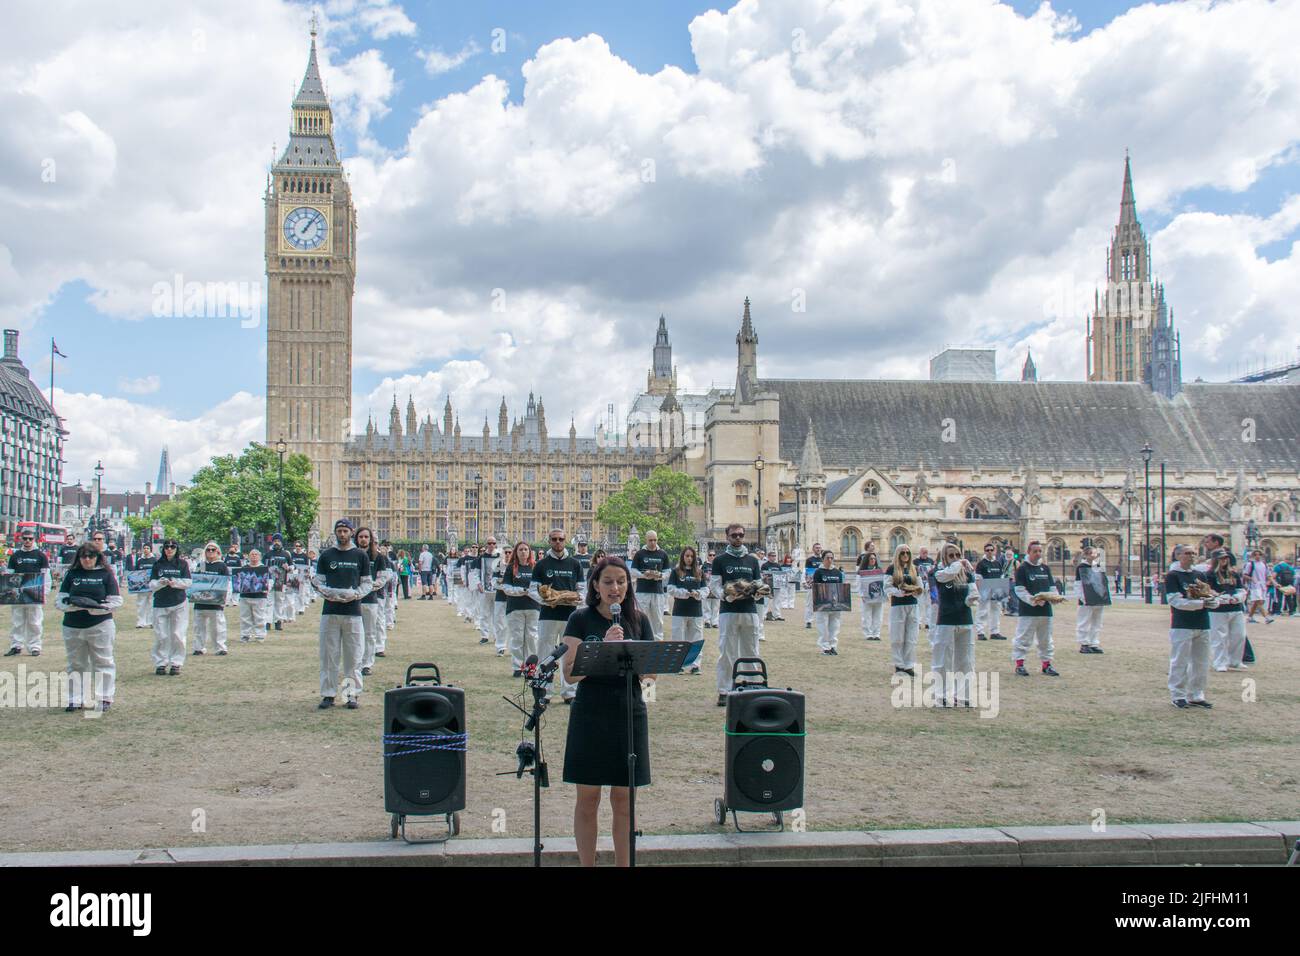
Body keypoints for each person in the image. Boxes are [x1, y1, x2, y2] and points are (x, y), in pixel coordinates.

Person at [560, 555, 654, 868]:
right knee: (588, 799)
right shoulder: (580, 619)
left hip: (629, 712)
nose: (615, 588)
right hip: (590, 713)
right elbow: (570, 673)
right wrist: (602, 646)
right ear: (595, 586)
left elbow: (651, 676)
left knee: (624, 801)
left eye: (621, 581)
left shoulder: (640, 620)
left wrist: (634, 658)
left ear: (629, 585)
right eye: (608, 582)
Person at [55, 543, 123, 712]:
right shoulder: (72, 574)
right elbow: (60, 599)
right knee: (76, 663)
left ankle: (104, 697)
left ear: (97, 557)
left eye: (91, 556)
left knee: (103, 661)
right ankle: (75, 698)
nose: (87, 560)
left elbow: (116, 600)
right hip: (73, 623)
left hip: (100, 624)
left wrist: (95, 607)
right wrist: (73, 605)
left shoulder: (106, 575)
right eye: (83, 556)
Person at [312, 519, 371, 710]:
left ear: (351, 532)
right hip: (330, 611)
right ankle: (328, 694)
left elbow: (366, 583)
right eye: (339, 531)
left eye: (345, 531)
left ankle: (350, 694)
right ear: (335, 533)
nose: (342, 534)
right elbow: (318, 582)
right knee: (329, 655)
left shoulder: (360, 556)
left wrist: (355, 594)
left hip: (353, 612)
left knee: (353, 657)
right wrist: (328, 592)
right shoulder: (326, 556)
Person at [709, 523, 763, 706]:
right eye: (734, 535)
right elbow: (715, 585)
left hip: (749, 611)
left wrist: (755, 591)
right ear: (727, 537)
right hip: (729, 611)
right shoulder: (720, 560)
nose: (738, 538)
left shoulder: (753, 560)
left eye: (740, 535)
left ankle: (753, 686)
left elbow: (759, 583)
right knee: (727, 651)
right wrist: (727, 594)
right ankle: (724, 690)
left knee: (751, 650)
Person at [529, 529, 584, 703]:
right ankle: (545, 691)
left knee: (570, 654)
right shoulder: (541, 564)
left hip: (570, 616)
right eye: (554, 539)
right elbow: (532, 590)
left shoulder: (575, 564)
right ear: (549, 541)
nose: (558, 542)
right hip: (548, 615)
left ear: (566, 540)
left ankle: (570, 692)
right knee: (546, 653)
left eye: (561, 539)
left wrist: (576, 598)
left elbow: (582, 588)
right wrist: (546, 600)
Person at [1166, 545, 1217, 709]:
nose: (1192, 556)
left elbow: (1208, 594)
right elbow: (1175, 601)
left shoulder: (1199, 574)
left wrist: (1212, 602)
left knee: (1201, 661)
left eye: (1194, 553)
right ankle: (1178, 694)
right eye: (1188, 553)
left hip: (1202, 622)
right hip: (1182, 624)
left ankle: (1196, 694)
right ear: (1179, 555)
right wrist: (1201, 603)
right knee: (1180, 660)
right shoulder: (1173, 576)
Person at [932, 543, 980, 707]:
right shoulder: (938, 573)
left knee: (965, 660)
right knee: (943, 659)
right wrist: (959, 564)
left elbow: (973, 594)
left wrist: (970, 600)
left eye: (958, 555)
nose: (955, 559)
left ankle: (964, 695)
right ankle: (941, 695)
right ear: (944, 557)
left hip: (965, 620)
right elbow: (949, 574)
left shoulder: (968, 574)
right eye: (951, 555)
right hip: (946, 620)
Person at [1012, 540, 1059, 677]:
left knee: (1046, 639)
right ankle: (1020, 664)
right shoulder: (1022, 569)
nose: (1038, 554)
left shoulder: (1045, 568)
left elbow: (1052, 587)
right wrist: (1033, 601)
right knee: (1023, 638)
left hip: (1046, 611)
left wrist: (1054, 597)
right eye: (1035, 551)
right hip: (1028, 611)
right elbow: (1020, 590)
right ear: (1029, 552)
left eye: (1040, 551)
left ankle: (1047, 664)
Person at [148, 540, 192, 676]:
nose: (169, 549)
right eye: (167, 547)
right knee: (162, 635)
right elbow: (151, 584)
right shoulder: (157, 564)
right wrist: (161, 583)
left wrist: (175, 583)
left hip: (179, 602)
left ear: (176, 549)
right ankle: (161, 662)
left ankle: (176, 663)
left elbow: (188, 582)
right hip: (161, 602)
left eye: (172, 547)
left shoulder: (183, 564)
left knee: (178, 634)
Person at [4, 528, 48, 657]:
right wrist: (9, 590)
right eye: (25, 538)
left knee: (35, 622)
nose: (27, 541)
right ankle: (16, 646)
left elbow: (46, 576)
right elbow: (9, 575)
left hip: (35, 593)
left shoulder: (40, 555)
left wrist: (43, 593)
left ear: (34, 539)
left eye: (30, 538)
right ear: (21, 539)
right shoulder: (15, 556)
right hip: (18, 594)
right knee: (17, 621)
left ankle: (35, 647)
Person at [355, 527, 392, 677]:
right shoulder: (351, 555)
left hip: (370, 599)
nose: (363, 539)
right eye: (361, 536)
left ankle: (367, 664)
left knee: (370, 633)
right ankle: (356, 661)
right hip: (353, 599)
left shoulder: (378, 557)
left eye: (366, 537)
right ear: (356, 538)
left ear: (370, 539)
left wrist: (367, 588)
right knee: (355, 634)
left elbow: (382, 579)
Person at [501, 541, 541, 677]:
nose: (523, 552)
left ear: (530, 552)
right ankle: (518, 666)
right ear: (516, 553)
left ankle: (531, 666)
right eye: (520, 550)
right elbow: (506, 589)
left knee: (532, 638)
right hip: (515, 608)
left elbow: (540, 589)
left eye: (525, 549)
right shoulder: (511, 568)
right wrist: (523, 591)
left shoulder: (535, 568)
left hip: (533, 608)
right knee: (517, 638)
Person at [1205, 548, 1248, 671]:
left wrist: (1238, 597)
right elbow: (1208, 590)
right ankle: (1219, 662)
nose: (1224, 560)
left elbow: (1241, 588)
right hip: (1218, 609)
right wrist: (1220, 597)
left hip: (1235, 607)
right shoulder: (1209, 574)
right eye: (1221, 558)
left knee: (1239, 635)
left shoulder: (1233, 573)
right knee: (1219, 637)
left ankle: (1235, 660)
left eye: (1225, 558)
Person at [666, 546, 706, 674]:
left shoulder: (699, 572)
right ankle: (678, 664)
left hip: (696, 611)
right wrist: (684, 593)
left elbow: (706, 590)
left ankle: (695, 665)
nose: (689, 558)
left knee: (696, 638)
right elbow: (671, 589)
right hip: (680, 610)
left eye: (691, 556)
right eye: (687, 556)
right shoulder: (676, 571)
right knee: (678, 638)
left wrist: (697, 593)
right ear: (683, 557)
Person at [884, 545, 922, 676]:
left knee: (911, 636)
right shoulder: (891, 569)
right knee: (897, 636)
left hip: (912, 604)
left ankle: (909, 664)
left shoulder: (914, 569)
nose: (905, 555)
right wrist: (899, 592)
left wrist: (916, 591)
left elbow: (920, 585)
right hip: (898, 605)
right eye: (902, 553)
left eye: (907, 553)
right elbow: (887, 587)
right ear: (898, 555)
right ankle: (899, 664)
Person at [190, 541, 231, 656]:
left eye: (213, 550)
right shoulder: (201, 565)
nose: (211, 552)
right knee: (199, 627)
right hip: (200, 601)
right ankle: (199, 647)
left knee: (218, 627)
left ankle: (220, 648)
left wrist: (224, 600)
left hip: (216, 602)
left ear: (218, 551)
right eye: (208, 550)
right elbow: (196, 582)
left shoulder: (222, 565)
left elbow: (226, 584)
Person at [629, 530, 670, 641]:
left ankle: (658, 641)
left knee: (658, 618)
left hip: (657, 591)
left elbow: (668, 571)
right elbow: (632, 571)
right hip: (642, 591)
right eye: (650, 540)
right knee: (641, 617)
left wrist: (660, 575)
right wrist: (643, 575)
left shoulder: (663, 554)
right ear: (646, 540)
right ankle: (639, 640)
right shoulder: (640, 554)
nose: (653, 542)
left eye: (655, 540)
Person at [1073, 546, 1107, 654]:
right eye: (1092, 553)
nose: (1095, 555)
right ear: (1086, 555)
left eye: (1096, 553)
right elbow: (1078, 584)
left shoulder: (1098, 566)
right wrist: (1083, 597)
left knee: (1097, 622)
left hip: (1097, 599)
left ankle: (1094, 642)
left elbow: (1101, 582)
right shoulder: (1081, 567)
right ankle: (1084, 643)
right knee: (1084, 621)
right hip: (1086, 599)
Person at [812, 550, 845, 655]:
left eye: (831, 558)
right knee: (823, 626)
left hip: (835, 604)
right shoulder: (818, 572)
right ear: (823, 559)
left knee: (834, 626)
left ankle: (833, 645)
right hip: (822, 603)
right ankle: (825, 646)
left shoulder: (837, 572)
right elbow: (815, 587)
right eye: (827, 558)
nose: (830, 560)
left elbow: (841, 587)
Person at [973, 543, 1007, 640]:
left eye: (991, 550)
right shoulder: (981, 564)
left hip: (996, 589)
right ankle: (980, 632)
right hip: (985, 588)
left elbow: (1001, 577)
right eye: (987, 550)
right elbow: (978, 578)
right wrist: (979, 591)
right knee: (983, 611)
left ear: (994, 551)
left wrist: (1002, 592)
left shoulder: (997, 563)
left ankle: (995, 632)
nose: (990, 552)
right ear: (985, 551)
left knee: (996, 611)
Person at [236, 550, 270, 643]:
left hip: (260, 596)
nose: (254, 556)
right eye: (252, 554)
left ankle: (260, 635)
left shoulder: (264, 568)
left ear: (259, 556)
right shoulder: (244, 568)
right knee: (245, 617)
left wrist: (266, 588)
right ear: (249, 557)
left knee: (260, 617)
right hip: (245, 596)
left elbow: (269, 581)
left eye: (256, 555)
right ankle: (245, 635)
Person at [265, 535, 293, 632]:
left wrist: (288, 568)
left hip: (282, 581)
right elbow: (262, 566)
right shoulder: (268, 554)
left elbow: (292, 567)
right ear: (272, 542)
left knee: (280, 602)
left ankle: (278, 622)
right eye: (275, 541)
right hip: (269, 581)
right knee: (269, 602)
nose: (276, 542)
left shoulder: (286, 554)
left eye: (278, 541)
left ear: (281, 542)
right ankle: (267, 622)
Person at [856, 549, 884, 641]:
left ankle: (876, 633)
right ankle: (868, 633)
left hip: (878, 596)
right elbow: (859, 584)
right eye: (871, 558)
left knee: (878, 616)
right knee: (866, 615)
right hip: (867, 596)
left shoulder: (879, 571)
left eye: (874, 559)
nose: (873, 560)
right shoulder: (862, 572)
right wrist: (861, 594)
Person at [131, 544, 157, 629]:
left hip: (151, 585)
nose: (146, 549)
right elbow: (136, 572)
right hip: (142, 586)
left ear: (150, 550)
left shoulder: (154, 560)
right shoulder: (139, 561)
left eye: (147, 548)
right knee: (141, 604)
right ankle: (140, 622)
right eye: (144, 548)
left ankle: (150, 622)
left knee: (151, 603)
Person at [1242, 549, 1271, 623]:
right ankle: (1266, 618)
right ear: (1253, 556)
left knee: (1257, 603)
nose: (1257, 556)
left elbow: (1268, 575)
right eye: (1255, 555)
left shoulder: (1264, 564)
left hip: (1262, 585)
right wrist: (1251, 578)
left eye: (1259, 554)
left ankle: (1250, 617)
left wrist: (1275, 583)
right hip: (1254, 585)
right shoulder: (1250, 564)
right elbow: (1245, 575)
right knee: (1259, 601)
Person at [914, 547, 936, 629]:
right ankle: (918, 622)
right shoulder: (915, 561)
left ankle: (928, 622)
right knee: (919, 604)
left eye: (926, 552)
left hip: (929, 585)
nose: (925, 554)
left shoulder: (931, 561)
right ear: (920, 553)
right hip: (919, 585)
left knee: (928, 604)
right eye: (923, 552)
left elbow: (933, 573)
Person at [761, 551, 786, 622]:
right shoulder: (765, 565)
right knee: (766, 601)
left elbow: (781, 575)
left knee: (777, 601)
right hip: (768, 585)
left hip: (777, 585)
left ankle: (777, 615)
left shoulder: (778, 565)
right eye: (772, 556)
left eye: (775, 556)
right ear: (768, 557)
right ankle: (763, 615)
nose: (774, 557)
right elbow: (763, 575)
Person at [803, 543, 824, 629]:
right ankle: (808, 621)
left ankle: (822, 620)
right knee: (810, 603)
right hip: (812, 584)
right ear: (813, 549)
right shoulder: (809, 560)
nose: (818, 549)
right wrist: (805, 582)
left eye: (819, 548)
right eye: (816, 548)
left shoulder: (824, 559)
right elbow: (807, 572)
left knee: (822, 603)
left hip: (822, 583)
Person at [701, 549, 720, 628]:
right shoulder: (704, 566)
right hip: (707, 587)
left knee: (716, 606)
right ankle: (707, 621)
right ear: (707, 556)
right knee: (706, 606)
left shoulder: (718, 566)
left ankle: (714, 622)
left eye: (713, 555)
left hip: (716, 588)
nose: (712, 556)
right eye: (710, 555)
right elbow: (701, 577)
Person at [291, 541, 311, 614]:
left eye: (299, 546)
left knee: (301, 593)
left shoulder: (304, 556)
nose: (298, 547)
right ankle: (294, 608)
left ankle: (301, 608)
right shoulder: (292, 555)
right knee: (294, 592)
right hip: (294, 575)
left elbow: (307, 567)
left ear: (301, 547)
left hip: (302, 576)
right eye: (296, 546)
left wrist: (307, 575)